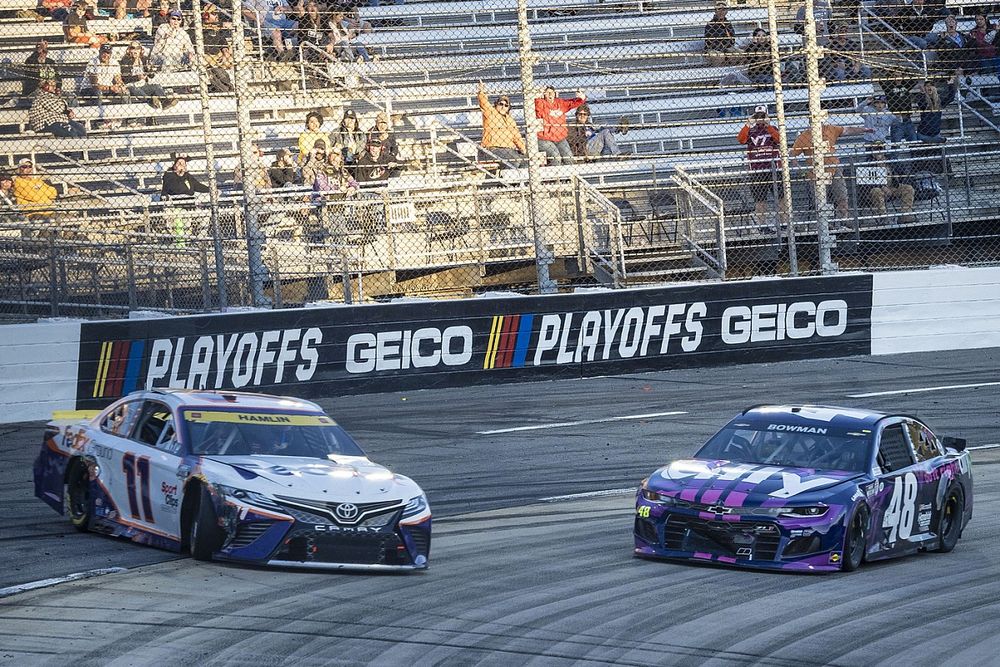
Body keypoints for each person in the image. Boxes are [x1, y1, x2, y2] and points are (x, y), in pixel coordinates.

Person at [791, 123, 868, 224]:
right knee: (822, 202)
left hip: (834, 169)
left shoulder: (830, 129)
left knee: (842, 197)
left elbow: (847, 130)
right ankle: (826, 224)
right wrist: (803, 172)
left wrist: (864, 129)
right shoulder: (804, 136)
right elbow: (792, 155)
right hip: (816, 174)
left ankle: (843, 221)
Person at [737, 105, 785, 232]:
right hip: (757, 169)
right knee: (760, 199)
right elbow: (741, 140)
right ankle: (762, 225)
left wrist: (768, 125)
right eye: (758, 116)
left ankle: (784, 223)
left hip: (774, 168)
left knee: (781, 197)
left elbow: (780, 140)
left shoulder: (773, 128)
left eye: (762, 116)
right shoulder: (751, 131)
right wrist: (748, 124)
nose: (760, 119)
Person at [857, 143, 916, 222]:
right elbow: (865, 184)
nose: (878, 151)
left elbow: (903, 172)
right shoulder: (867, 163)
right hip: (878, 190)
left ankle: (905, 215)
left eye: (880, 149)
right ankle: (883, 217)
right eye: (875, 149)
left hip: (892, 187)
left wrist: (899, 180)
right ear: (871, 151)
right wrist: (882, 187)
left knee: (908, 188)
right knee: (876, 191)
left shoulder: (890, 160)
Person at [534, 85, 586, 165]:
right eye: (547, 93)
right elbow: (537, 108)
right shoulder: (541, 103)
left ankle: (568, 177)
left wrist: (581, 98)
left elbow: (571, 103)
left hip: (560, 138)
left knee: (569, 158)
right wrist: (537, 96)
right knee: (556, 157)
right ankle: (555, 177)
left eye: (552, 93)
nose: (550, 95)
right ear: (544, 94)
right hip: (544, 139)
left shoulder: (560, 103)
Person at [477, 80, 526, 164]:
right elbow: (483, 102)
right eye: (501, 104)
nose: (503, 106)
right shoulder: (491, 112)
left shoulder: (511, 120)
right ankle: (507, 176)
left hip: (508, 149)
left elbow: (516, 137)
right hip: (492, 149)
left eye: (506, 105)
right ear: (496, 105)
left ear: (508, 108)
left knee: (525, 161)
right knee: (514, 160)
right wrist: (481, 91)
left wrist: (523, 149)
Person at [119, 41, 176, 109]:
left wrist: (149, 70)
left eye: (137, 48)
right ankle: (151, 101)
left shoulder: (144, 59)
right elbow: (125, 78)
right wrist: (137, 77)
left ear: (140, 50)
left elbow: (151, 76)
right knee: (136, 89)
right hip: (131, 86)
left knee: (156, 86)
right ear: (129, 50)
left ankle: (165, 102)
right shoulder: (125, 60)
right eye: (132, 48)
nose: (135, 50)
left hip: (143, 86)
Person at [83, 43, 129, 108]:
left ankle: (128, 115)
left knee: (125, 92)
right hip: (88, 89)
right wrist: (110, 88)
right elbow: (94, 85)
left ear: (111, 54)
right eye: (103, 52)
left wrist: (121, 86)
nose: (105, 55)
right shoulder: (93, 62)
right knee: (98, 93)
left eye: (108, 53)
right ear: (99, 52)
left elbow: (118, 79)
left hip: (107, 89)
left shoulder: (114, 62)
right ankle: (98, 116)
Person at [915, 74, 957, 143]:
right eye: (927, 86)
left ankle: (937, 140)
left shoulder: (939, 101)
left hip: (936, 134)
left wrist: (950, 84)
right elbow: (921, 103)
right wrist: (922, 93)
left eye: (931, 85)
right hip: (924, 134)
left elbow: (951, 98)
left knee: (937, 151)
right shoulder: (923, 99)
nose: (930, 87)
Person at [884, 72, 920, 142]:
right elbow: (881, 80)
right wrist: (889, 73)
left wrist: (905, 72)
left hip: (907, 118)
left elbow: (915, 79)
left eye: (900, 76)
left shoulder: (906, 85)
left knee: (913, 141)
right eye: (896, 76)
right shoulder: (888, 86)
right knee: (896, 143)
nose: (898, 78)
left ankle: (914, 152)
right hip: (896, 119)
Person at [967, 13, 1000, 78]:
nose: (979, 21)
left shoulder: (994, 27)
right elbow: (977, 44)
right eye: (977, 20)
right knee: (988, 69)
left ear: (986, 19)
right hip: (983, 55)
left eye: (981, 19)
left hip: (996, 53)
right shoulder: (974, 32)